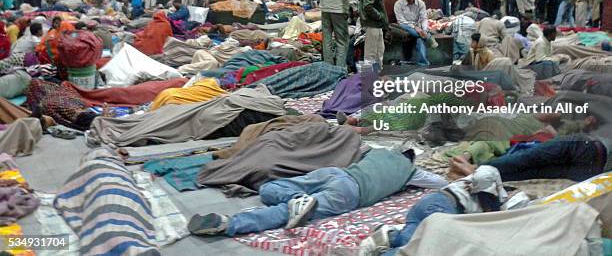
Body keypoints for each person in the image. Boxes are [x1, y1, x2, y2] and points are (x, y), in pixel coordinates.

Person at [187, 148, 447, 237]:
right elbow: (440, 184)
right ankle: (227, 224)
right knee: (284, 211)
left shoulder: (378, 152)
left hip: (335, 173)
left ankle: (299, 200)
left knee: (271, 189)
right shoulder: (412, 173)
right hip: (351, 193)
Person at [361, 166, 507, 255]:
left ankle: (390, 235)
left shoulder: (466, 182)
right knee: (425, 249)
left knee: (409, 239)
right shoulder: (489, 191)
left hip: (427, 203)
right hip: (443, 210)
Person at [451, 132, 611, 183]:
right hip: (590, 164)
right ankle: (479, 172)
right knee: (529, 172)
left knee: (527, 161)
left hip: (586, 153)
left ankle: (478, 170)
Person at [394, 0, 436, 66]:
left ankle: (423, 63)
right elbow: (401, 21)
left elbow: (424, 18)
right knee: (417, 33)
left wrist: (424, 30)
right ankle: (428, 37)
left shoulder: (421, 4)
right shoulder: (398, 4)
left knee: (420, 39)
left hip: (418, 30)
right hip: (404, 27)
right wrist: (415, 27)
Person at [359, 0, 389, 69]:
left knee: (379, 51)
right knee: (371, 54)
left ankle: (375, 76)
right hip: (373, 23)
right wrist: (379, 16)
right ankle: (368, 78)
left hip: (376, 24)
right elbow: (367, 6)